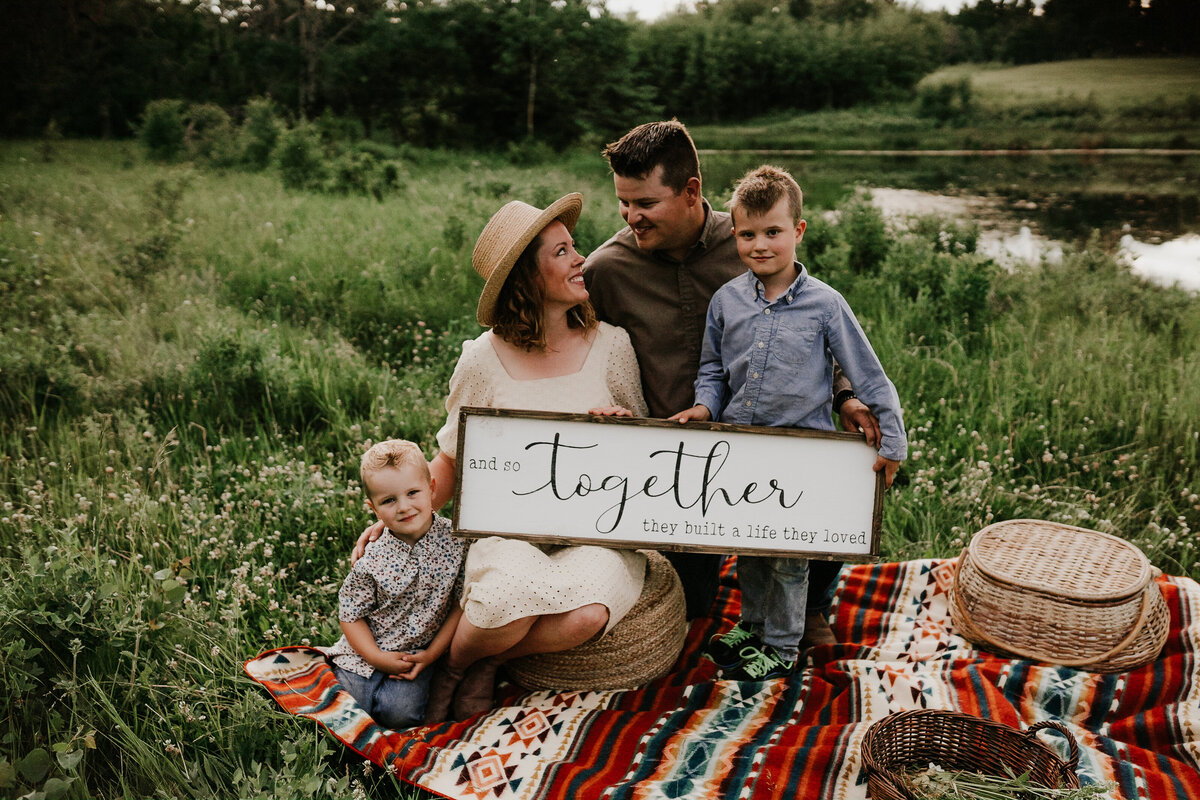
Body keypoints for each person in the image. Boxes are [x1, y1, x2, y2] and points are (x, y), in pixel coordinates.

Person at [355, 192, 650, 723]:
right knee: (501, 604)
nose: (581, 259)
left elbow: (646, 456)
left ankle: (475, 666)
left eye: (573, 246)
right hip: (510, 529)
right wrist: (407, 514)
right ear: (526, 278)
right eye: (561, 252)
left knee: (585, 616)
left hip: (596, 531)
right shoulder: (482, 360)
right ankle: (462, 664)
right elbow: (449, 458)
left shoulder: (613, 345)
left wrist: (621, 434)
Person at [583, 119, 881, 639]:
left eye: (646, 203)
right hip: (678, 464)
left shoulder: (750, 240)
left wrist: (848, 395)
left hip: (769, 438)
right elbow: (573, 348)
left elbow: (810, 322)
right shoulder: (608, 269)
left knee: (843, 480)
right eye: (624, 204)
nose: (632, 217)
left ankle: (811, 605)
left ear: (691, 191)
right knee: (695, 610)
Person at [670, 165, 907, 680]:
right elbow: (712, 369)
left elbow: (868, 373)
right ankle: (752, 625)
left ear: (798, 231)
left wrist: (893, 440)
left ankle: (780, 646)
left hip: (804, 454)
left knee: (789, 556)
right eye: (748, 234)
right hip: (744, 449)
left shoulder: (825, 305)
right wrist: (705, 407)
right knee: (751, 546)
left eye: (773, 232)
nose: (760, 245)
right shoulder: (726, 301)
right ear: (734, 233)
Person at [325, 439, 466, 729]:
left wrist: (431, 655)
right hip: (364, 649)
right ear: (373, 508)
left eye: (413, 493)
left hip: (415, 655)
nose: (403, 507)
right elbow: (350, 615)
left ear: (432, 488)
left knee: (399, 714)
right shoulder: (373, 556)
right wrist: (376, 657)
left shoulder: (457, 544)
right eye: (389, 500)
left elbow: (458, 605)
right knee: (350, 708)